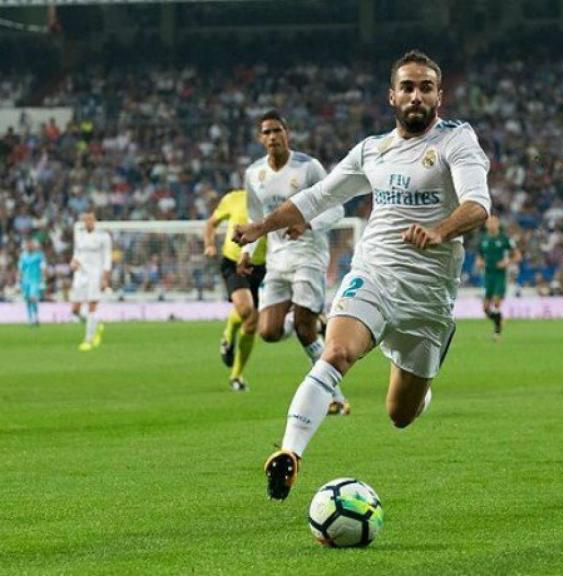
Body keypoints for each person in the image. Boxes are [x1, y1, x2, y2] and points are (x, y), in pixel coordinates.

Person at [234, 50, 491, 501]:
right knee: (334, 351)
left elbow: (478, 205)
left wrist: (439, 230)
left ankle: (420, 385)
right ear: (392, 96)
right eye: (407, 87)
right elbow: (317, 197)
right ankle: (290, 454)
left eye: (425, 87)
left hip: (428, 296)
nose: (416, 95)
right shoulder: (372, 150)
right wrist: (260, 226)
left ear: (439, 96)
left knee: (400, 413)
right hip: (372, 274)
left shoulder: (457, 141)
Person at [237, 110, 348, 415]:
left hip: (309, 257)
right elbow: (255, 219)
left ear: (287, 133)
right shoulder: (254, 174)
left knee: (305, 330)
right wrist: (247, 250)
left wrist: (308, 224)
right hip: (277, 260)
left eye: (277, 131)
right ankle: (300, 316)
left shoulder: (309, 168)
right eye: (266, 132)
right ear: (260, 138)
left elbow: (336, 208)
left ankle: (336, 396)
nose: (272, 137)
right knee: (269, 332)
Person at [204, 188, 269, 391]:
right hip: (233, 262)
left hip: (262, 266)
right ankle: (229, 333)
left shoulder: (278, 202)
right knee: (245, 309)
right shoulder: (233, 198)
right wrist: (209, 244)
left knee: (251, 325)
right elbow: (211, 223)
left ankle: (237, 375)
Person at [70, 211, 112, 351]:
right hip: (80, 275)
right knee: (75, 309)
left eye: (90, 219)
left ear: (94, 221)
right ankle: (96, 325)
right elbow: (77, 253)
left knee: (91, 306)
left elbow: (107, 259)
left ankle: (88, 340)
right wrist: (73, 262)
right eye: (85, 220)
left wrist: (105, 278)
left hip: (95, 275)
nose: (88, 222)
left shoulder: (103, 237)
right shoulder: (79, 235)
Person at [475, 215, 520, 339]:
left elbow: (517, 256)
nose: (491, 224)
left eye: (493, 222)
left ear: (498, 224)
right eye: (489, 222)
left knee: (496, 301)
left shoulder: (505, 239)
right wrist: (479, 262)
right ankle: (499, 320)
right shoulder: (483, 239)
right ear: (486, 225)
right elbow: (479, 256)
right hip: (487, 275)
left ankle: (497, 330)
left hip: (500, 275)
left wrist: (507, 262)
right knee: (485, 308)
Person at [17, 238, 46, 326]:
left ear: (33, 246)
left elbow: (43, 267)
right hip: (25, 281)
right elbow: (20, 269)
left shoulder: (39, 255)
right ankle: (30, 318)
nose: (29, 247)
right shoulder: (23, 256)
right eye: (27, 245)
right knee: (28, 300)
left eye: (30, 245)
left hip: (35, 280)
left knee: (33, 298)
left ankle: (36, 317)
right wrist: (18, 280)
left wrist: (43, 278)